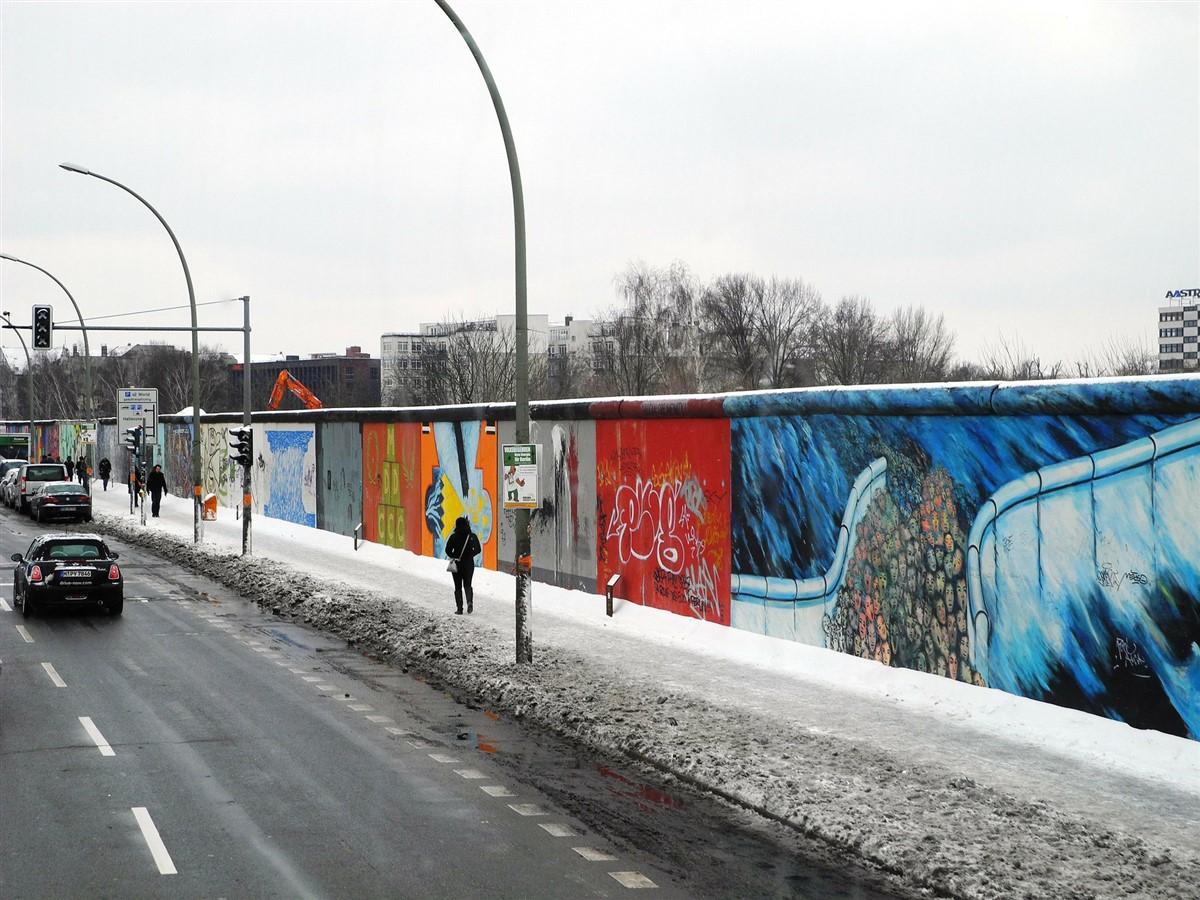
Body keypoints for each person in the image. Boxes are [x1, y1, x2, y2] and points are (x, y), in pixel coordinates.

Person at [443, 516, 481, 615]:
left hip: (457, 563)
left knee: (458, 586)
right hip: (469, 564)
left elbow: (447, 550)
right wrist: (469, 555)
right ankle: (469, 602)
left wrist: (454, 556)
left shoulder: (454, 536)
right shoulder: (472, 536)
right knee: (468, 584)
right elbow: (478, 549)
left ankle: (459, 609)